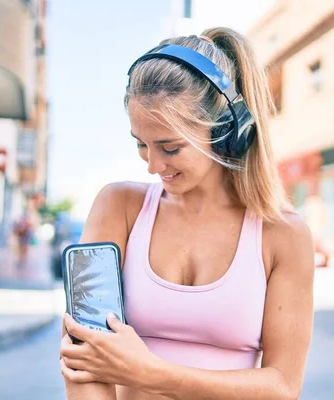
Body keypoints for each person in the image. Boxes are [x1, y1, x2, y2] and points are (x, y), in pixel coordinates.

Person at [59, 27, 315, 400]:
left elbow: (283, 386)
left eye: (170, 147)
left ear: (229, 131)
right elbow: (81, 355)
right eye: (141, 144)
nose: (152, 164)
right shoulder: (117, 207)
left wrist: (151, 373)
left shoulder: (284, 235)